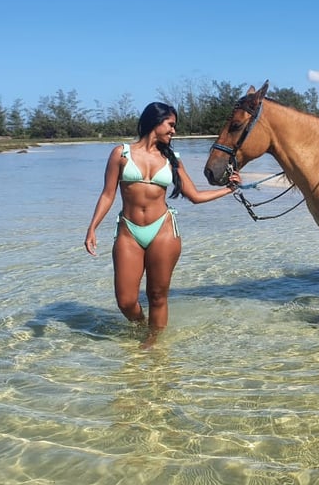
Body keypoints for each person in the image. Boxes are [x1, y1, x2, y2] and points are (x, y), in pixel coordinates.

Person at [84, 102, 240, 345]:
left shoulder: (173, 160)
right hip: (129, 231)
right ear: (155, 122)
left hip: (164, 230)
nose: (173, 131)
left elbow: (195, 197)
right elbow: (107, 194)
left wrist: (229, 190)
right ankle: (142, 326)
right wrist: (92, 227)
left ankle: (153, 344)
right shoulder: (121, 153)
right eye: (171, 124)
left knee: (157, 295)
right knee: (125, 301)